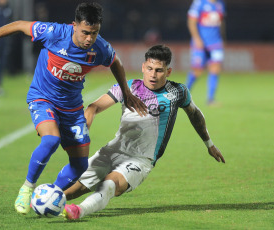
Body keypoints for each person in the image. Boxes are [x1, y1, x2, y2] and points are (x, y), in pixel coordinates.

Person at [0, 2, 147, 215]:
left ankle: (50, 195)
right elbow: (19, 24)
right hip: (43, 98)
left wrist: (126, 93)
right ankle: (27, 188)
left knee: (80, 165)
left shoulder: (100, 47)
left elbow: (115, 62)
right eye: (85, 32)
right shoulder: (53, 32)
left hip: (72, 108)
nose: (89, 38)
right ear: (74, 26)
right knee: (51, 140)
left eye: (94, 33)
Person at [61, 45, 225, 220]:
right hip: (113, 149)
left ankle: (80, 211)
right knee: (75, 189)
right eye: (150, 69)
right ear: (143, 67)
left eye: (159, 70)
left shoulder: (178, 92)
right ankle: (45, 202)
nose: (153, 75)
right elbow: (94, 107)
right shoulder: (128, 87)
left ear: (168, 71)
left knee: (112, 183)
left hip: (142, 158)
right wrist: (85, 126)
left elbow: (195, 114)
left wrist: (209, 144)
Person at [185, 0, 226, 105]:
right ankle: (183, 95)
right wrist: (197, 39)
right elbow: (191, 21)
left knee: (215, 69)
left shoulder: (220, 4)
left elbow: (221, 23)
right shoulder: (199, 3)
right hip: (201, 42)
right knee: (197, 71)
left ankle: (210, 99)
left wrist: (222, 38)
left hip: (215, 43)